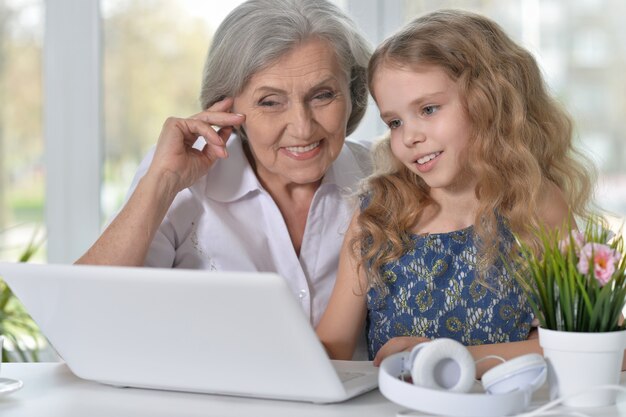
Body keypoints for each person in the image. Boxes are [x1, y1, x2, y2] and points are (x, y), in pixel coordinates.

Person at [316, 9, 595, 376]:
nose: (410, 136)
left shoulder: (536, 206)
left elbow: (599, 347)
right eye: (395, 122)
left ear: (488, 101)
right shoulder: (380, 212)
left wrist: (447, 357)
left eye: (428, 109)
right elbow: (330, 347)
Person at [76, 0, 373, 336]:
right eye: (270, 102)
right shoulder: (179, 179)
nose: (302, 127)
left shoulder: (389, 176)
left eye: (322, 95)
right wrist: (161, 182)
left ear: (353, 93)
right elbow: (78, 325)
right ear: (227, 107)